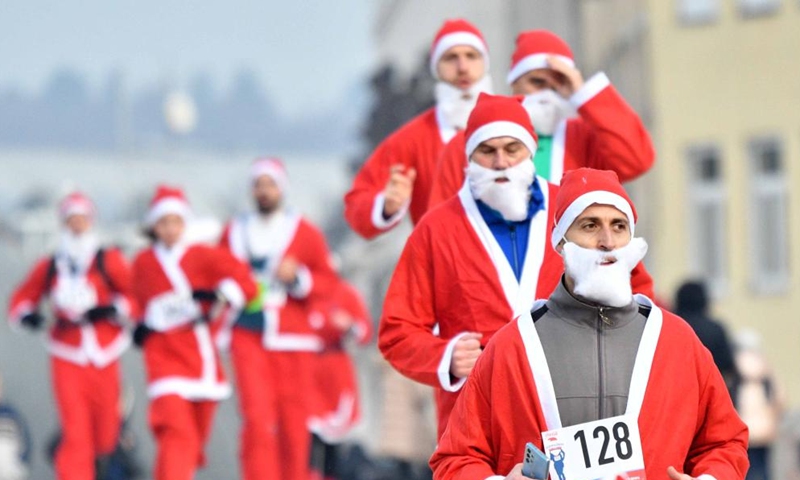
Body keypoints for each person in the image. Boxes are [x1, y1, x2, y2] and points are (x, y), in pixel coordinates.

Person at [430, 168, 749, 480]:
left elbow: (725, 442)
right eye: (590, 225)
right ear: (560, 243)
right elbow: (455, 458)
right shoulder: (513, 346)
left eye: (619, 226)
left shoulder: (676, 341)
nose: (607, 241)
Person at [378, 93, 654, 438]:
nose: (500, 162)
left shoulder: (575, 212)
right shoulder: (435, 230)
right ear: (469, 157)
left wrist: (619, 354)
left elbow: (636, 290)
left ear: (530, 150)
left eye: (512, 148)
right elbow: (396, 331)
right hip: (479, 419)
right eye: (487, 151)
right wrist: (444, 356)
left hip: (579, 408)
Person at [427, 29, 655, 209]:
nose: (548, 94)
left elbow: (636, 160)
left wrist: (582, 93)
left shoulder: (585, 138)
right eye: (537, 83)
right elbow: (439, 226)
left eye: (559, 84)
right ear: (514, 83)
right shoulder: (473, 143)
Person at [218, 158, 338, 480]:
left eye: (270, 185)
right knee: (256, 419)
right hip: (247, 333)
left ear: (281, 188)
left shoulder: (304, 231)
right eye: (259, 185)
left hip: (291, 338)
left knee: (293, 423)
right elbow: (218, 270)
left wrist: (298, 277)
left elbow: (327, 281)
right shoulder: (235, 230)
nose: (264, 191)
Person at [7, 191, 137, 480]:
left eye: (82, 219)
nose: (77, 225)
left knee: (106, 431)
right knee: (76, 432)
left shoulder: (108, 259)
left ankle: (101, 461)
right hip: (66, 353)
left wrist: (111, 309)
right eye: (71, 219)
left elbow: (134, 295)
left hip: (104, 352)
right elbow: (22, 298)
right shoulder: (52, 264)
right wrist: (29, 315)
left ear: (91, 221)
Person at [130, 185, 257, 480]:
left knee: (191, 442)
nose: (170, 229)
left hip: (201, 360)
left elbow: (246, 283)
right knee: (178, 433)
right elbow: (131, 300)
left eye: (176, 221)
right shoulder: (144, 263)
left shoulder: (204, 256)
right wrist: (139, 323)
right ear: (154, 226)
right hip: (163, 360)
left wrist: (221, 295)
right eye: (164, 223)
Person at [344, 18, 493, 239]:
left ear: (485, 62)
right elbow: (359, 202)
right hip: (441, 264)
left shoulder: (516, 125)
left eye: (471, 56)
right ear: (436, 67)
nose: (462, 67)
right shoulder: (413, 138)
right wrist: (386, 205)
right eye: (451, 57)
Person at [307, 277, 373, 480]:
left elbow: (365, 333)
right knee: (302, 441)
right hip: (305, 370)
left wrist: (349, 324)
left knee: (332, 447)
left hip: (334, 374)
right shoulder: (302, 290)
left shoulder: (345, 293)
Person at [734, 328, 784, 480]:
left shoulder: (735, 373)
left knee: (744, 470)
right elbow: (780, 400)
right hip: (765, 432)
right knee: (763, 470)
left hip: (744, 434)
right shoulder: (766, 371)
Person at [674, 280, 739, 393]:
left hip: (676, 391)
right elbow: (727, 364)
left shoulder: (669, 327)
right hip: (709, 391)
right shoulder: (715, 329)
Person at [0, 371, 31, 480]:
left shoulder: (11, 415)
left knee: (4, 446)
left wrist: (21, 464)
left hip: (11, 471)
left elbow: (26, 443)